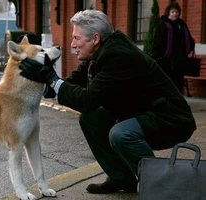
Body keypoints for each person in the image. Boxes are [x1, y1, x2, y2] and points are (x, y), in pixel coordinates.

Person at [19, 10, 196, 194]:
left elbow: (86, 100)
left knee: (121, 134)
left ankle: (161, 184)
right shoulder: (99, 52)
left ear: (95, 38)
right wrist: (46, 83)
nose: (72, 44)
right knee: (90, 118)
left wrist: (52, 79)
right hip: (144, 112)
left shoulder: (118, 56)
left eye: (76, 38)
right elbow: (73, 83)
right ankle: (122, 178)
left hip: (171, 118)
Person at [151, 2, 195, 93]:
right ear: (169, 13)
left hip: (180, 60)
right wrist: (156, 56)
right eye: (173, 12)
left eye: (177, 12)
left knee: (178, 84)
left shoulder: (182, 25)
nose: (175, 14)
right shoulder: (162, 25)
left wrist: (191, 47)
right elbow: (157, 42)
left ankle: (178, 102)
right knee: (167, 83)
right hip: (166, 61)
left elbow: (189, 39)